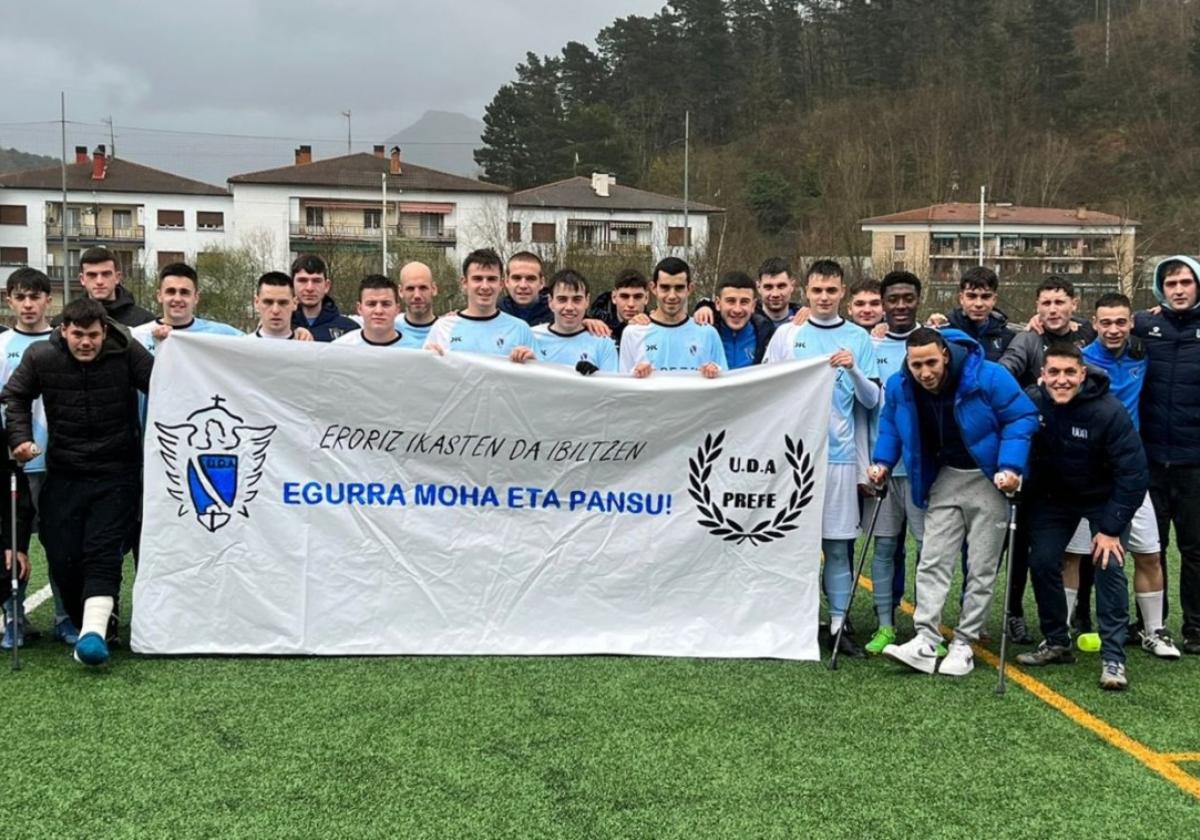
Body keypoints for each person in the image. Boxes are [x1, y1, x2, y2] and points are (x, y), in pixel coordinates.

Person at [871, 327, 1037, 676]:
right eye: (917, 365)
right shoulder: (900, 385)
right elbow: (890, 424)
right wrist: (882, 461)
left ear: (945, 353)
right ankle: (925, 639)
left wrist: (1010, 466)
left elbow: (1022, 416)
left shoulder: (989, 375)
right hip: (943, 476)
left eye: (931, 362)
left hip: (988, 477)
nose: (925, 373)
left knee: (981, 565)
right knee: (932, 558)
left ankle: (964, 643)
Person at [2, 297, 154, 668]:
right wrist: (19, 438)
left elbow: (168, 384)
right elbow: (15, 396)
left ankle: (93, 635)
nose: (85, 342)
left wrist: (171, 346)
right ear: (64, 331)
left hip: (117, 472)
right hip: (64, 472)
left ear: (105, 332)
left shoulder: (128, 352)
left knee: (103, 551)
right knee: (61, 553)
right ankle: (85, 618)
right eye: (78, 335)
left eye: (92, 335)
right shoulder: (41, 357)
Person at [765, 259, 880, 656]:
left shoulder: (858, 339)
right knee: (790, 544)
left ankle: (838, 625)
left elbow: (872, 400)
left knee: (835, 547)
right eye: (817, 291)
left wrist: (853, 371)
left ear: (842, 292)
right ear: (807, 292)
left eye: (832, 291)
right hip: (793, 461)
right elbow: (764, 390)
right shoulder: (786, 335)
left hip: (838, 458)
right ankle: (795, 620)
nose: (824, 298)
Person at [1015, 343, 1147, 690]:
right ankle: (1057, 641)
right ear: (1042, 375)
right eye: (1054, 373)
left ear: (1082, 374)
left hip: (1103, 499)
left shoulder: (1109, 411)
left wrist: (1111, 528)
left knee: (1109, 564)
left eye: (1069, 373)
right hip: (1053, 499)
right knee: (1042, 562)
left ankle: (1114, 658)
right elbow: (1009, 436)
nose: (1061, 380)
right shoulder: (1031, 401)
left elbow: (1133, 474)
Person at [1057, 293, 1178, 659]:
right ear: (1093, 323)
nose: (1113, 329)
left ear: (1131, 323)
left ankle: (1154, 631)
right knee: (1072, 557)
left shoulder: (1141, 354)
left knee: (1150, 554)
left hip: (1130, 473)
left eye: (1121, 322)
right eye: (1105, 322)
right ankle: (1060, 632)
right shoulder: (1079, 360)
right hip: (1086, 475)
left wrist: (1159, 311)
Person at [997, 275, 1097, 642]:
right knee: (1021, 542)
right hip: (1036, 455)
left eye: (1059, 302)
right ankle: (1013, 613)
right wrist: (1033, 394)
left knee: (1082, 543)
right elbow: (1003, 372)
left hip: (1083, 454)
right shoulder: (1027, 339)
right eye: (1046, 303)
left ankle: (1080, 614)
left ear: (1073, 303)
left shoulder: (1088, 337)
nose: (1052, 309)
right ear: (1036, 307)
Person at [0, 268, 76, 647]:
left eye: (35, 297)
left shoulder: (66, 341)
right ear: (9, 301)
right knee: (13, 544)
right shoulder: (1, 346)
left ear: (49, 300)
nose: (28, 305)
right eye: (20, 297)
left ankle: (65, 616)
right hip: (14, 464)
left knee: (60, 543)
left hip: (60, 461)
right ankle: (14, 617)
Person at [1134, 255, 1200, 655]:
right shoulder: (1145, 326)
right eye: (1171, 282)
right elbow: (1102, 331)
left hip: (1195, 462)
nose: (1178, 289)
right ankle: (1150, 625)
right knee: (1149, 549)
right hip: (1152, 460)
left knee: (1194, 550)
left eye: (1186, 282)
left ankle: (1195, 627)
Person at [860, 271, 925, 654]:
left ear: (919, 298)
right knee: (884, 550)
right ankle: (885, 625)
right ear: (882, 302)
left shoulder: (936, 341)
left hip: (922, 472)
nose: (900, 305)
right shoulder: (870, 345)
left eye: (907, 298)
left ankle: (925, 628)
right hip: (881, 468)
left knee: (927, 551)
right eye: (893, 299)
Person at [618, 257, 725, 378]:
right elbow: (623, 390)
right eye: (665, 287)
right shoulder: (633, 333)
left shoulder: (708, 333)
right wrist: (636, 375)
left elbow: (724, 387)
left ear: (689, 289)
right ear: (653, 288)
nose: (672, 295)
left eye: (679, 288)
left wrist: (715, 373)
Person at [424, 248, 536, 362]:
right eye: (477, 279)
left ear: (501, 284)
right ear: (464, 283)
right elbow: (426, 375)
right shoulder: (442, 328)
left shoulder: (520, 329)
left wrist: (532, 362)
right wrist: (428, 360)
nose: (485, 286)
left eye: (491, 279)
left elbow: (539, 376)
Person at [131, 262, 243, 353]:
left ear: (196, 297)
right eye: (171, 292)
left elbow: (254, 347)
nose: (178, 299)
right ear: (159, 296)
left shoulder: (221, 334)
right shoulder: (138, 337)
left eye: (184, 292)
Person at [532, 270, 618, 373]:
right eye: (562, 299)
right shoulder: (531, 336)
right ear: (550, 301)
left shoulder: (604, 343)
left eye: (577, 300)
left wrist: (596, 377)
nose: (569, 307)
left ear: (587, 301)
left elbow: (610, 387)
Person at [944, 266, 1016, 362]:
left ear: (994, 299)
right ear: (961, 298)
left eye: (985, 297)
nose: (979, 304)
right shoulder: (944, 332)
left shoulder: (1008, 337)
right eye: (972, 296)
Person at [706, 271, 775, 369]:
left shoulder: (768, 337)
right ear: (718, 303)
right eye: (731, 301)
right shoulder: (703, 336)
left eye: (744, 302)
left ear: (753, 306)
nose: (737, 309)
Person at [72, 246, 154, 327]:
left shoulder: (145, 322)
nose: (99, 281)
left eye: (106, 274)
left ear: (117, 277)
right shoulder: (68, 321)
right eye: (92, 275)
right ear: (82, 279)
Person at [290, 254, 360, 341]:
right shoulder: (282, 328)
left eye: (316, 281)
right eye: (302, 280)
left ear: (327, 286)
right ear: (292, 285)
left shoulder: (349, 329)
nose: (309, 288)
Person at [333, 275, 405, 347]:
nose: (378, 311)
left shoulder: (414, 350)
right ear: (359, 308)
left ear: (397, 309)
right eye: (371, 304)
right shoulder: (340, 348)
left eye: (386, 304)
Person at [587, 268, 651, 344]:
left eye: (637, 297)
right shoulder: (593, 327)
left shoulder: (653, 328)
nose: (631, 304)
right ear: (614, 297)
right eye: (624, 296)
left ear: (646, 298)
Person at [499, 251, 553, 327]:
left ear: (541, 283)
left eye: (530, 279)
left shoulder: (556, 314)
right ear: (506, 281)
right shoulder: (494, 313)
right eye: (517, 278)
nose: (523, 285)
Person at [397, 261, 439, 348]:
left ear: (434, 289)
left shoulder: (447, 330)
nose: (417, 295)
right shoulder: (388, 331)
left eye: (423, 288)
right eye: (410, 288)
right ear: (401, 291)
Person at [254, 272, 308, 340]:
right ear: (256, 303)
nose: (275, 310)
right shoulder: (242, 347)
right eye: (268, 302)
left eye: (283, 303)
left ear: (295, 303)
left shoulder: (308, 347)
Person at [756, 257, 801, 326]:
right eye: (768, 287)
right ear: (758, 287)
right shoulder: (747, 323)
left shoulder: (805, 322)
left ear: (792, 286)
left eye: (781, 286)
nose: (775, 294)